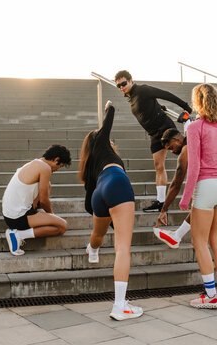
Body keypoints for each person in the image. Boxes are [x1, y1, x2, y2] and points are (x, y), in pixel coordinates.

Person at [153, 124, 217, 264]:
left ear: (177, 139)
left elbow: (176, 183)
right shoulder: (209, 127)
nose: (172, 151)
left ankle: (177, 236)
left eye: (171, 147)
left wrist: (164, 209)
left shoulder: (187, 147)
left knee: (207, 199)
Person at [79, 100, 143, 321]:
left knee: (98, 234)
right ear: (101, 139)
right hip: (117, 182)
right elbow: (109, 120)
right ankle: (119, 306)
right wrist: (109, 106)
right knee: (123, 247)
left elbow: (89, 205)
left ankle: (93, 250)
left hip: (100, 193)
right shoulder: (102, 143)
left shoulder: (89, 165)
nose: (111, 141)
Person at [179, 83, 217, 309]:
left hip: (206, 185)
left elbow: (194, 167)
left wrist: (185, 198)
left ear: (198, 102)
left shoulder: (194, 128)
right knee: (216, 240)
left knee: (199, 241)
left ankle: (210, 296)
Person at [114, 70, 192, 213]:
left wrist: (186, 107)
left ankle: (193, 188)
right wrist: (158, 107)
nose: (121, 87)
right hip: (153, 135)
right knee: (158, 166)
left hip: (165, 129)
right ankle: (161, 201)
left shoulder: (143, 90)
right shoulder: (131, 98)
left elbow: (165, 95)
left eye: (124, 83)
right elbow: (147, 108)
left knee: (185, 156)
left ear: (131, 80)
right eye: (118, 86)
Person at [2, 145, 71, 256]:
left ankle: (34, 219)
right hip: (18, 217)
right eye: (60, 166)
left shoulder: (35, 164)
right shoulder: (45, 168)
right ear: (56, 159)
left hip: (11, 214)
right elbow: (44, 200)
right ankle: (18, 235)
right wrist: (52, 215)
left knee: (47, 185)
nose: (57, 170)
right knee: (62, 226)